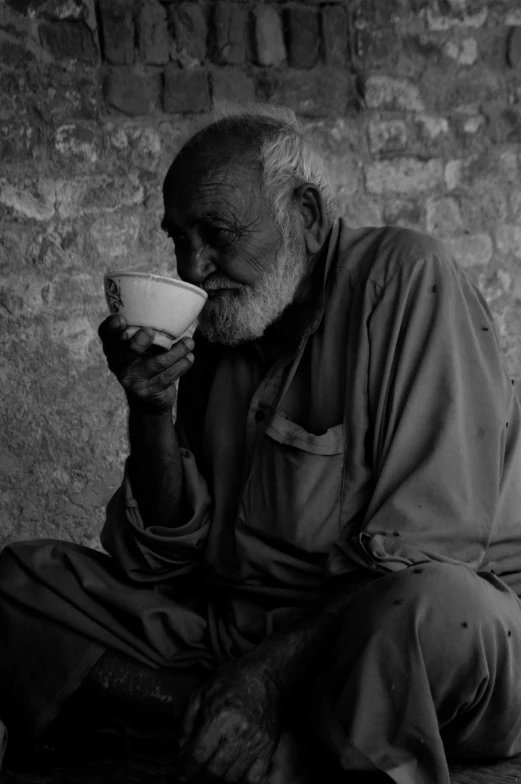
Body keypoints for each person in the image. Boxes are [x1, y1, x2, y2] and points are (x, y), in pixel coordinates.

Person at [1, 102, 521, 784]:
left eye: (214, 233)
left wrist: (264, 682)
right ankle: (235, 729)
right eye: (176, 238)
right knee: (19, 582)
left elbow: (428, 551)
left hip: (398, 637)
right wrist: (149, 408)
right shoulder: (225, 323)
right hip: (239, 635)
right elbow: (160, 562)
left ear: (303, 216)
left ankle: (257, 733)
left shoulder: (403, 279)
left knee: (430, 612)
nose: (192, 264)